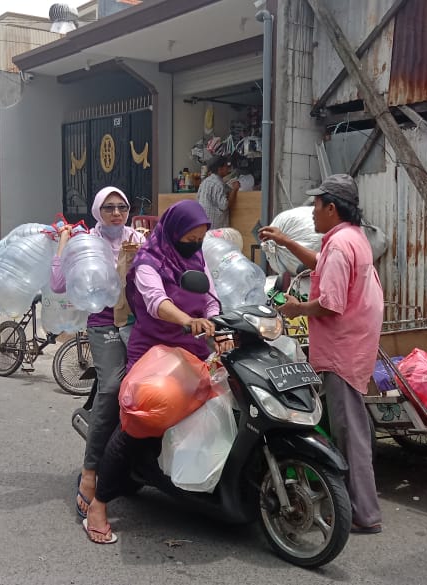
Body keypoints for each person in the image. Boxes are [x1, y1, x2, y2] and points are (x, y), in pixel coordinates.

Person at [81, 199, 235, 544]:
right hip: (154, 352)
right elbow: (156, 302)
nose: (194, 245)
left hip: (193, 349)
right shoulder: (149, 262)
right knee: (142, 423)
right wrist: (187, 320)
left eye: (199, 239)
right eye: (189, 238)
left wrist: (218, 325)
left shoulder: (196, 258)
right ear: (174, 233)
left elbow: (210, 296)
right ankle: (99, 503)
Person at [258, 173, 385, 535]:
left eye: (316, 205)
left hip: (343, 350)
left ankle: (364, 513)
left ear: (331, 208)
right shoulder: (350, 238)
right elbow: (320, 263)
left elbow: (329, 304)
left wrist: (297, 309)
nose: (311, 212)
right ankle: (348, 500)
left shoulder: (342, 245)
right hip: (354, 345)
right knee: (347, 429)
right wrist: (285, 241)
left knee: (351, 435)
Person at [50, 187, 145, 520]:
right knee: (110, 388)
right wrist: (65, 240)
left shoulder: (139, 237)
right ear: (97, 211)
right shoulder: (87, 241)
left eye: (122, 206)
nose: (116, 213)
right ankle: (90, 471)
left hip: (140, 325)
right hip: (104, 326)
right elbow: (59, 283)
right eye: (108, 208)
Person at [196, 155, 239, 229]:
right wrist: (235, 189)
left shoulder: (204, 182)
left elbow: (198, 199)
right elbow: (224, 205)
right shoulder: (219, 184)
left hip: (204, 226)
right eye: (226, 166)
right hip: (216, 227)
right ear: (220, 169)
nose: (228, 169)